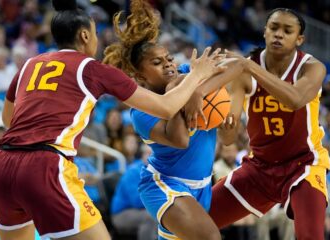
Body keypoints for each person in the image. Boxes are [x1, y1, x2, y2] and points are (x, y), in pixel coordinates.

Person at [0, 0, 226, 240]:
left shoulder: (30, 64)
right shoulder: (92, 69)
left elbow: (9, 118)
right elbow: (167, 106)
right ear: (84, 35)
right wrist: (197, 77)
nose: (97, 39)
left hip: (0, 167)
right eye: (95, 33)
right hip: (43, 165)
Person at [103, 1, 244, 239]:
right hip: (165, 184)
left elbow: (238, 64)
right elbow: (180, 140)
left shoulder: (189, 73)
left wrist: (199, 90)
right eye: (157, 63)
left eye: (168, 58)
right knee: (210, 237)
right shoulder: (141, 111)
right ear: (139, 75)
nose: (168, 64)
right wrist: (181, 87)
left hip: (202, 185)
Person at [208, 8, 330, 240]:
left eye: (287, 30)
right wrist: (225, 125)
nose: (278, 34)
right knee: (196, 222)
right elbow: (227, 140)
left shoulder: (312, 67)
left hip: (303, 165)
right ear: (264, 32)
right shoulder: (242, 73)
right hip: (260, 168)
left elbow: (294, 100)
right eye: (273, 28)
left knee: (310, 236)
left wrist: (249, 66)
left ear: (299, 39)